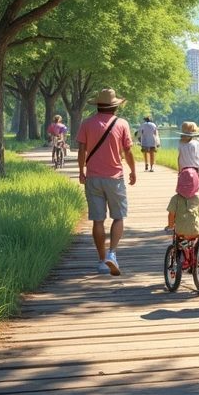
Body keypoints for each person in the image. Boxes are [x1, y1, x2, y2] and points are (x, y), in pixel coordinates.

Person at [76, 88, 137, 276]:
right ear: (115, 106)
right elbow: (127, 151)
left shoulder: (86, 124)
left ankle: (102, 260)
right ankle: (112, 253)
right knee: (118, 217)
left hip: (93, 178)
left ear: (98, 105)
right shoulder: (122, 124)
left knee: (98, 220)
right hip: (115, 178)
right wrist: (134, 171)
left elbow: (81, 150)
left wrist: (81, 171)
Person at [164, 163, 199, 239]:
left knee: (179, 238)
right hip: (198, 230)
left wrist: (170, 226)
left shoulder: (175, 199)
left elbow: (171, 215)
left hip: (181, 232)